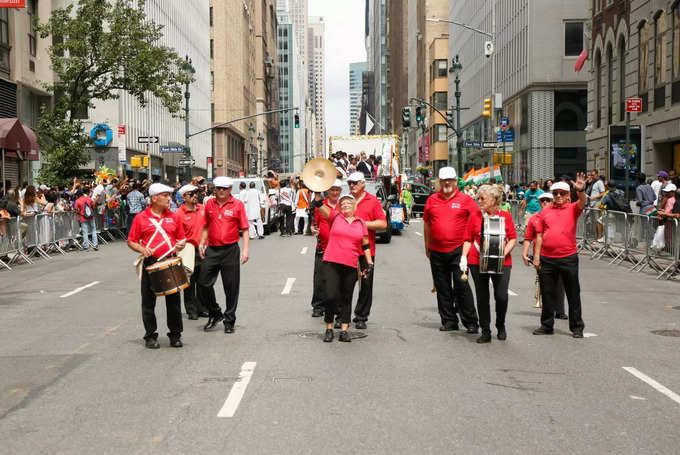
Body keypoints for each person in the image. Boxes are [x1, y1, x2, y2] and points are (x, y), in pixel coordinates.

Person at [127, 183, 186, 349]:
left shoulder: (174, 217)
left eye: (169, 195)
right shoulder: (141, 218)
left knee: (174, 301)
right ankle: (150, 336)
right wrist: (142, 249)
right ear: (154, 198)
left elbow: (181, 238)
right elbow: (131, 241)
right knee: (148, 302)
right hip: (151, 262)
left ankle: (175, 335)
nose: (169, 198)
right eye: (165, 195)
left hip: (170, 261)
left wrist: (181, 244)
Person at [423, 167, 480, 333]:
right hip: (437, 251)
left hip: (459, 251)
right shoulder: (432, 200)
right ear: (439, 182)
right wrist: (427, 246)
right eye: (443, 180)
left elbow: (476, 223)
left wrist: (474, 247)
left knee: (462, 286)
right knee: (442, 287)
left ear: (456, 181)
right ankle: (449, 321)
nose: (447, 183)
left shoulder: (466, 200)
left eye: (450, 180)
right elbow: (427, 224)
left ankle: (471, 322)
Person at [532, 174, 588, 338]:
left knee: (573, 293)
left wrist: (581, 190)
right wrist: (536, 257)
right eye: (555, 193)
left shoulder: (572, 209)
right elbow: (540, 235)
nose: (558, 196)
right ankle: (547, 325)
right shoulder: (545, 212)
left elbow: (583, 202)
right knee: (547, 293)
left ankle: (577, 327)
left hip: (568, 257)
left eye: (561, 193)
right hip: (547, 258)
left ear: (567, 196)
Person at [460, 184, 517, 343]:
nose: (479, 200)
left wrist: (501, 254)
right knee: (482, 297)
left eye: (482, 198)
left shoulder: (505, 216)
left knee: (501, 296)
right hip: (476, 261)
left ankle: (501, 325)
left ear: (494, 199)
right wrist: (464, 257)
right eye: (478, 197)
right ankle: (485, 330)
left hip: (502, 262)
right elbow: (468, 239)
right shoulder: (474, 216)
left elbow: (512, 238)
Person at [315, 192, 374, 342]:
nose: (345, 204)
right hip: (331, 263)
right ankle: (329, 328)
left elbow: (365, 244)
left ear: (355, 206)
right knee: (331, 296)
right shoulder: (335, 217)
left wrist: (369, 263)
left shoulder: (361, 223)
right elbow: (320, 205)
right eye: (343, 203)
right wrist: (316, 191)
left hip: (350, 265)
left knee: (346, 298)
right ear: (340, 207)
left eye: (349, 202)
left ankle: (344, 331)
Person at [198, 176, 249, 334]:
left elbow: (245, 229)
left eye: (224, 189)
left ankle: (229, 319)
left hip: (230, 250)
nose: (220, 191)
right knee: (202, 283)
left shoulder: (238, 205)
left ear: (229, 189)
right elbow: (206, 226)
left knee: (231, 287)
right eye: (218, 188)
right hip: (212, 250)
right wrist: (202, 242)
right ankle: (215, 313)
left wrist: (246, 249)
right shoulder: (209, 204)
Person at [346, 171, 387, 329]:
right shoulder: (346, 201)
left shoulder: (373, 201)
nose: (352, 185)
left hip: (366, 252)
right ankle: (342, 315)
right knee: (345, 285)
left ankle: (361, 316)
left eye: (355, 182)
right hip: (347, 251)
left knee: (366, 285)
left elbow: (383, 224)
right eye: (350, 183)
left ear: (363, 183)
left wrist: (362, 224)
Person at [521, 193, 567, 317]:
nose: (545, 202)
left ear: (552, 202)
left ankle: (560, 310)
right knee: (546, 283)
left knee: (560, 282)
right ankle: (548, 310)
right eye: (542, 200)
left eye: (548, 200)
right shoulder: (534, 218)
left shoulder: (558, 215)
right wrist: (524, 253)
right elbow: (528, 238)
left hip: (558, 253)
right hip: (540, 254)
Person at [309, 180, 342, 317]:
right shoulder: (320, 205)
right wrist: (313, 229)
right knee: (319, 279)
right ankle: (318, 306)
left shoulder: (344, 205)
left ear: (340, 191)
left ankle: (336, 307)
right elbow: (313, 223)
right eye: (332, 190)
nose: (334, 192)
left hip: (340, 249)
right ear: (328, 191)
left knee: (338, 280)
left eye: (337, 190)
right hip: (323, 247)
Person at [176, 184, 209, 320]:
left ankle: (202, 307)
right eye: (191, 194)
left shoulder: (203, 209)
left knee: (203, 281)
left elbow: (209, 227)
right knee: (189, 282)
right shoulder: (179, 214)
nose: (195, 195)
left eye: (196, 193)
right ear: (184, 197)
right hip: (188, 250)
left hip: (204, 249)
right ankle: (191, 310)